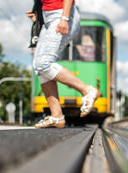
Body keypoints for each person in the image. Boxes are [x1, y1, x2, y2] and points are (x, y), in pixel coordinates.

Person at [27, 0, 100, 128]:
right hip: (48, 17)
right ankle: (57, 116)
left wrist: (64, 18)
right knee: (39, 66)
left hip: (61, 14)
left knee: (44, 63)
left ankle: (87, 90)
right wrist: (38, 15)